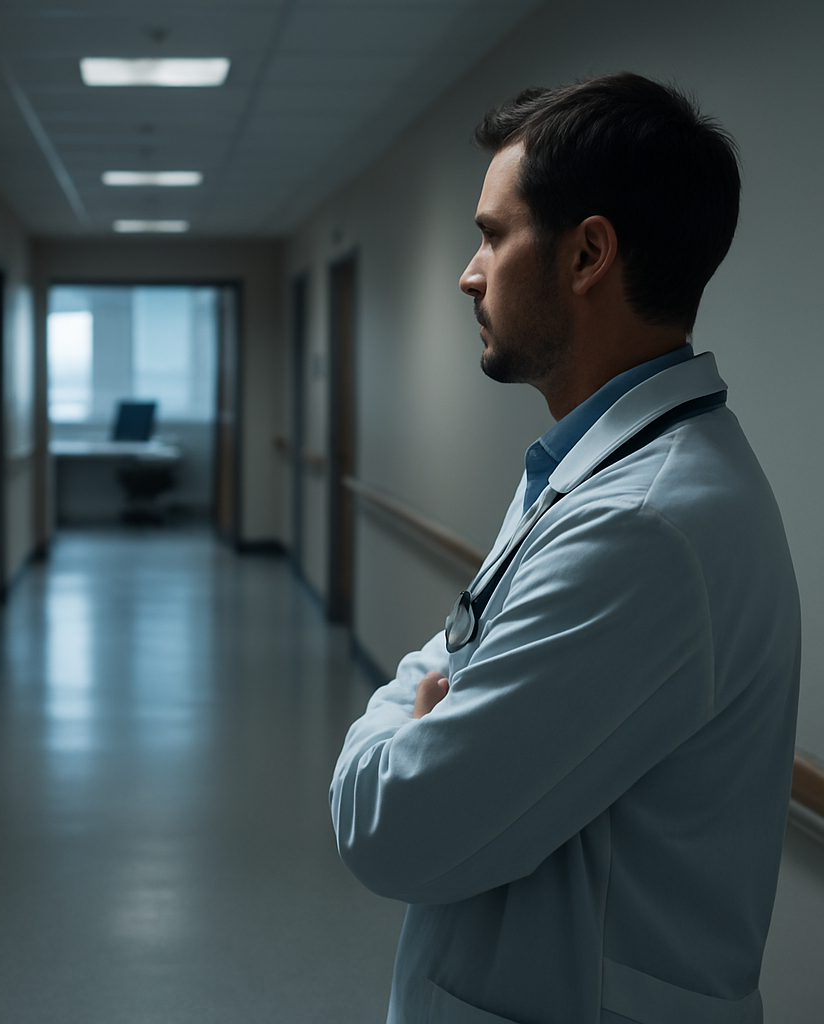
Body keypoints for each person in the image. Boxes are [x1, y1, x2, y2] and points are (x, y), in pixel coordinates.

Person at [329, 73, 800, 1024]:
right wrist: (429, 701)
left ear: (588, 253)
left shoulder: (644, 527)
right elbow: (450, 660)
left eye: (494, 235)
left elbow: (390, 826)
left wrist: (404, 725)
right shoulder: (599, 465)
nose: (469, 271)